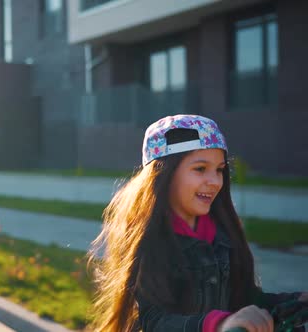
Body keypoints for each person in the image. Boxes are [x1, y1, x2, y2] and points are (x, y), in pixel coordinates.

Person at [87, 114, 307, 332]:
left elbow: (244, 298)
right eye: (200, 169)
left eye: (219, 170)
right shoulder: (149, 241)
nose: (214, 181)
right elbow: (155, 321)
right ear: (163, 174)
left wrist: (291, 302)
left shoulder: (224, 235)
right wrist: (219, 324)